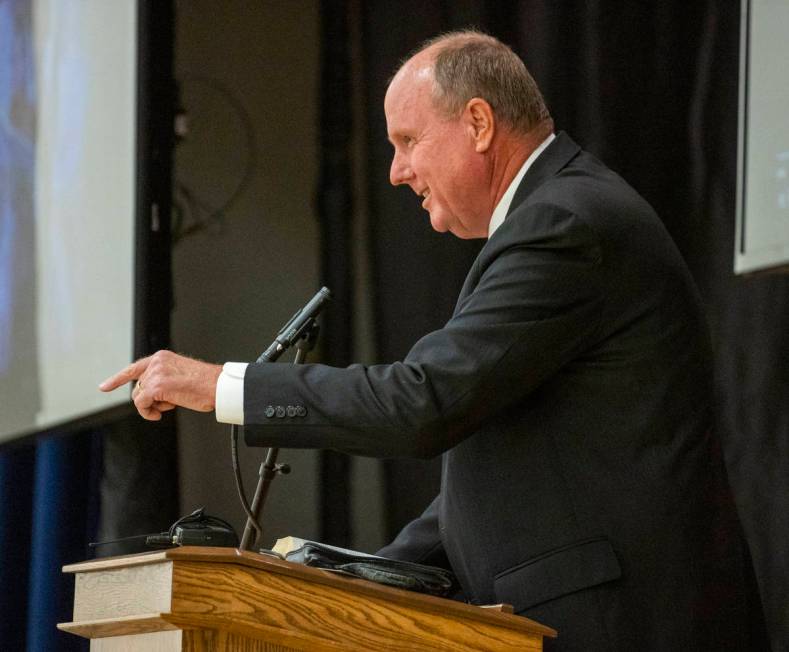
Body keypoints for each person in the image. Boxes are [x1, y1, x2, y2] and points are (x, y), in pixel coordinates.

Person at [101, 31, 757, 650]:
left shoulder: (563, 224)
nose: (395, 171)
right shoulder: (557, 216)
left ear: (477, 123)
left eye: (407, 140)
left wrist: (218, 385)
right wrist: (354, 578)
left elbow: (423, 402)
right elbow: (505, 471)